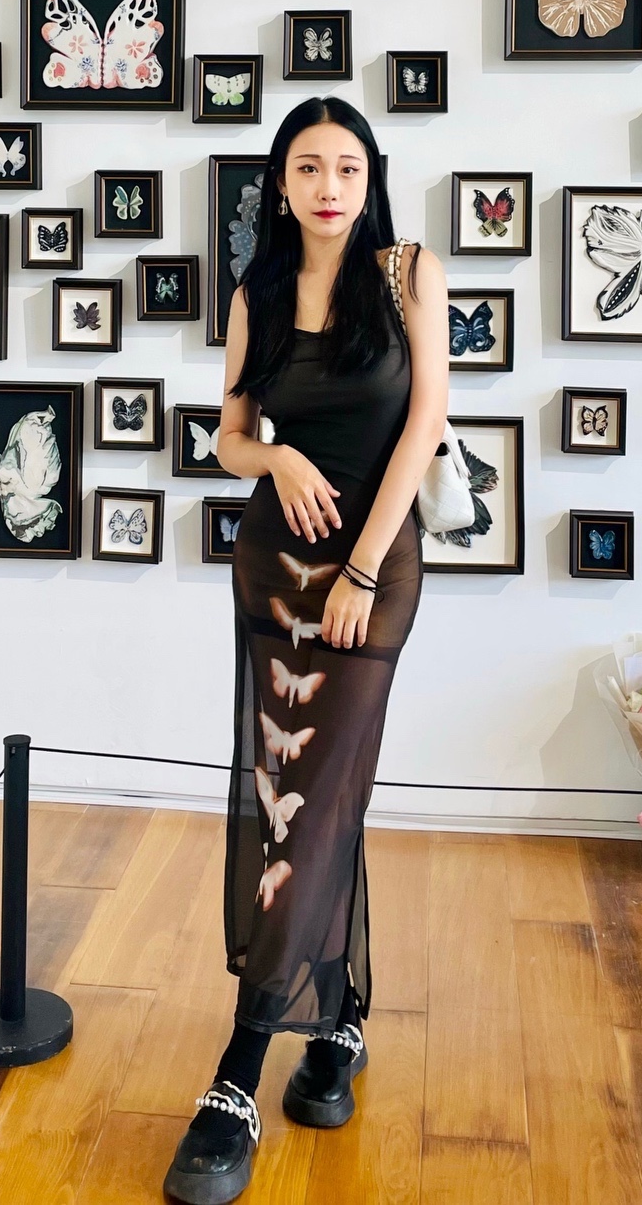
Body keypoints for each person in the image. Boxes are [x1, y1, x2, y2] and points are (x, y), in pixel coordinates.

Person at [163, 97, 449, 1204]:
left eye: (347, 167)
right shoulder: (258, 294)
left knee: (315, 798)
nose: (329, 185)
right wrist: (275, 461)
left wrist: (365, 569)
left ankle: (238, 1070)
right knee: (302, 795)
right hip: (273, 566)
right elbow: (231, 434)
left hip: (372, 570)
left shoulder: (408, 275)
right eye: (307, 167)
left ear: (370, 178)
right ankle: (340, 1020)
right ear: (279, 185)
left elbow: (423, 423)